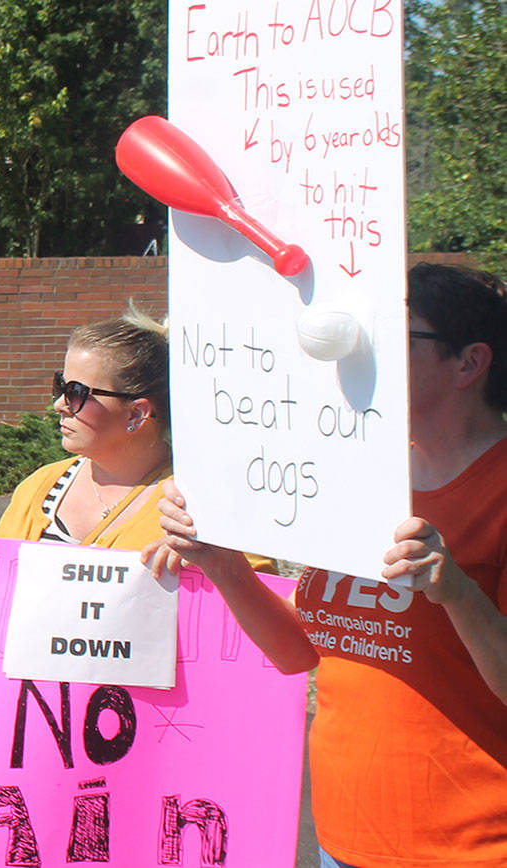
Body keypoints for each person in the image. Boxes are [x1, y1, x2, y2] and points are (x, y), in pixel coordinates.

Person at [143, 263, 507, 867]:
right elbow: (299, 654)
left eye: (392, 336)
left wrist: (461, 595)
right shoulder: (351, 471)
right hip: (344, 838)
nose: (363, 353)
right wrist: (223, 564)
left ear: (469, 363)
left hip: (472, 845)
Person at [0, 307, 273, 592]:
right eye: (60, 386)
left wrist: (215, 570)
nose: (58, 404)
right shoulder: (38, 487)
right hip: (32, 703)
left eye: (75, 393)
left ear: (137, 413)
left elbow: (264, 631)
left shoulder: (206, 507)